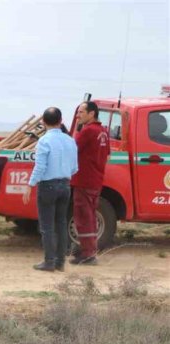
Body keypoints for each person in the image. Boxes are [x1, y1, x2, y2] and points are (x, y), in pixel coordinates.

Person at [23, 107, 78, 272]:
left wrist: (30, 185)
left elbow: (40, 166)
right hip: (65, 184)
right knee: (61, 223)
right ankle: (60, 262)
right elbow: (75, 167)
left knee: (47, 226)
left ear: (44, 122)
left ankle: (49, 261)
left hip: (48, 186)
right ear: (61, 121)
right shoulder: (70, 140)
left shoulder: (44, 141)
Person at [70, 101, 109, 266]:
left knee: (83, 217)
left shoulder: (88, 131)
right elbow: (106, 153)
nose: (78, 115)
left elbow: (73, 149)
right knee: (91, 216)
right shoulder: (103, 132)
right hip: (96, 180)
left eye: (81, 112)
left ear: (92, 113)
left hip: (84, 180)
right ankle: (89, 251)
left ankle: (88, 254)